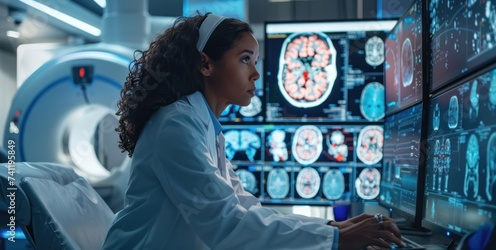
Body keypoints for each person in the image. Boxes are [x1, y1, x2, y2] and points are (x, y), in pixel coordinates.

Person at [101, 13, 406, 250]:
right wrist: (336, 240)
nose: (256, 73)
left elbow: (245, 207)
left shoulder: (201, 125)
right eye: (245, 59)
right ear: (206, 64)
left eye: (255, 61)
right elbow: (227, 223)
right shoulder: (175, 125)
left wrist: (335, 228)